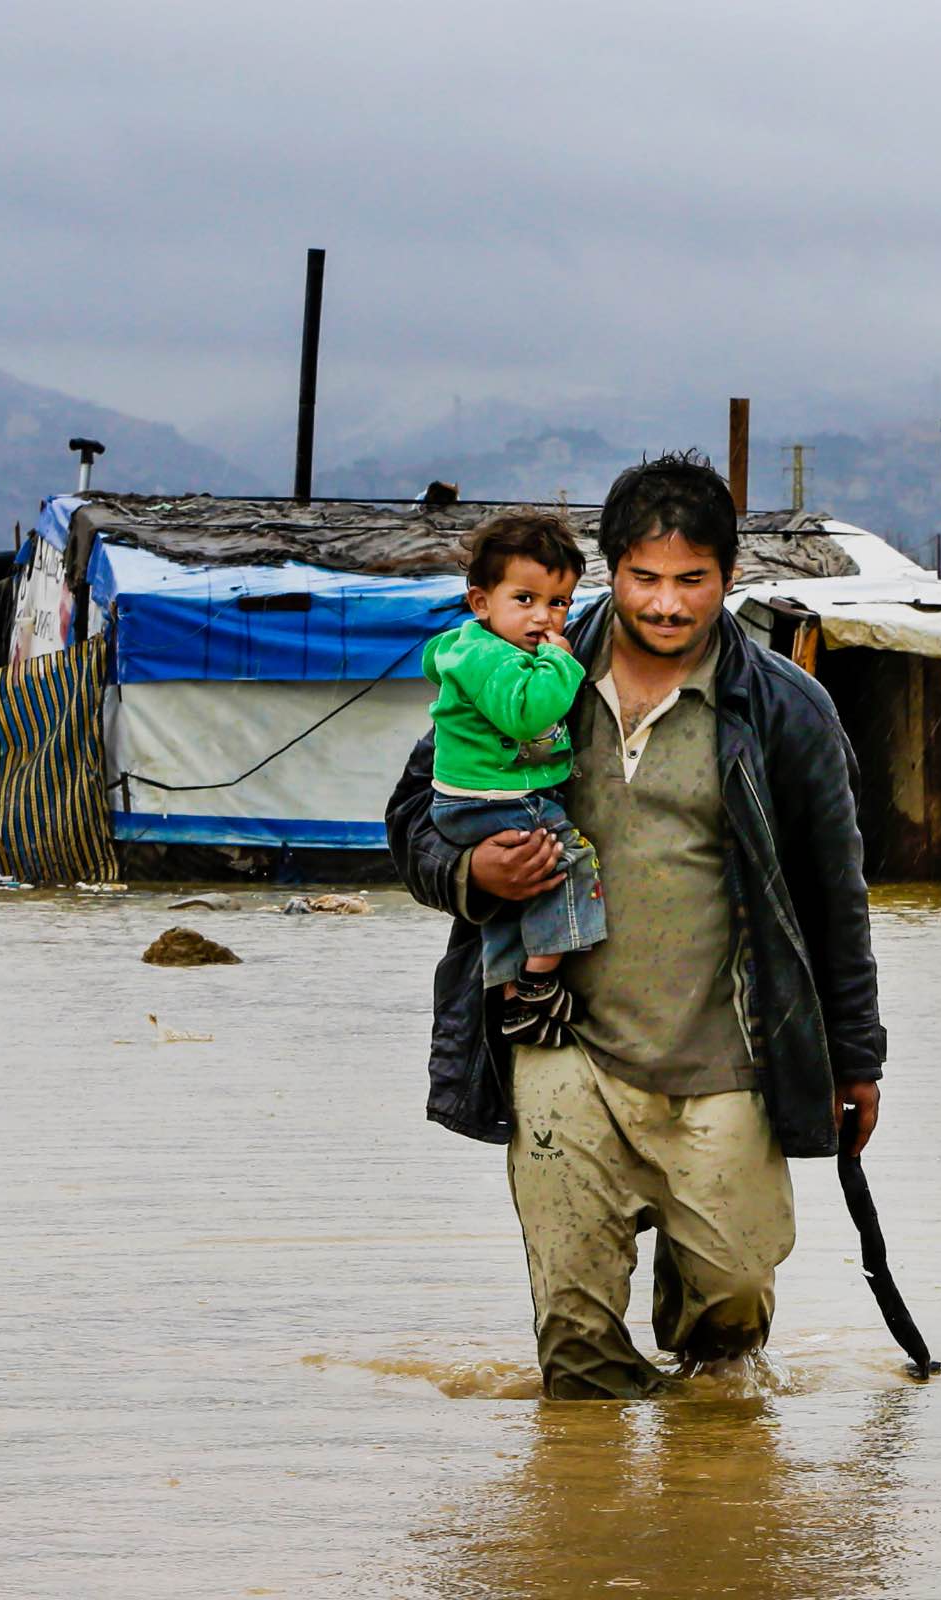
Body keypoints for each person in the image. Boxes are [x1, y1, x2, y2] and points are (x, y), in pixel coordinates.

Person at [386, 452, 886, 1399]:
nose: (666, 603)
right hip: (561, 1043)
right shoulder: (520, 676)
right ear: (608, 574)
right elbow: (415, 819)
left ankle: (704, 1511)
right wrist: (471, 873)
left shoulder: (785, 710)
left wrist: (857, 1056)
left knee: (729, 1328)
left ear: (730, 578)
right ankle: (592, 1533)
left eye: (691, 580)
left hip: (728, 1056)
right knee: (574, 1346)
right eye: (645, 579)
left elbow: (836, 895)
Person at [419, 511, 603, 1048]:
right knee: (570, 859)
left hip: (483, 798)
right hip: (493, 798)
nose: (543, 618)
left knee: (515, 898)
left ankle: (510, 999)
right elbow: (525, 715)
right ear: (481, 602)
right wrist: (563, 663)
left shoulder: (500, 651)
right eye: (524, 600)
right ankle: (541, 980)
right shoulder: (487, 656)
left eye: (558, 603)